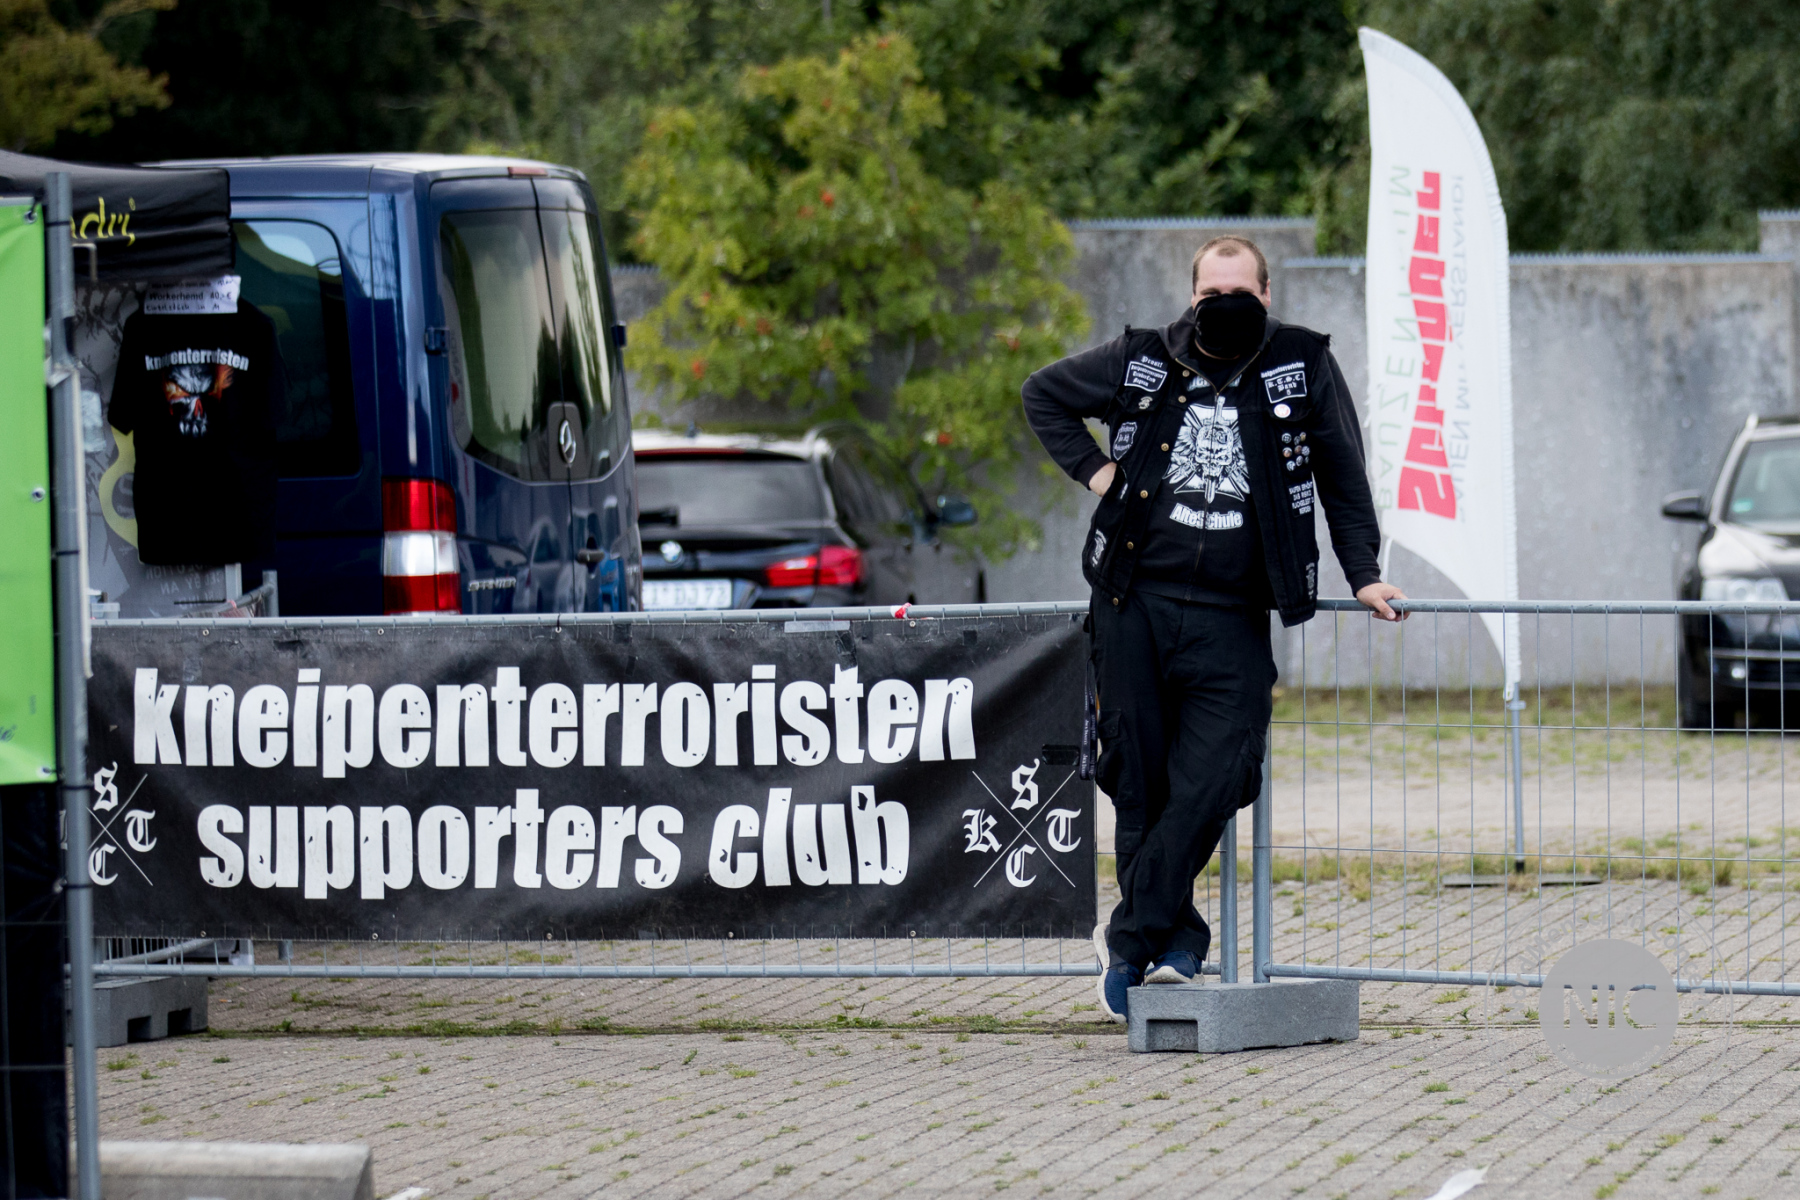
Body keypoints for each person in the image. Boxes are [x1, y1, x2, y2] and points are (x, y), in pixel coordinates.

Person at [1021, 235, 1406, 1022]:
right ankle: (1173, 949)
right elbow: (1043, 394)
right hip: (1132, 601)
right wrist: (1098, 473)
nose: (1224, 304)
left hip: (1235, 613)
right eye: (1210, 293)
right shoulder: (1143, 358)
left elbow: (1343, 473)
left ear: (1266, 295)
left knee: (1219, 772)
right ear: (1191, 296)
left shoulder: (1302, 363)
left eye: (1239, 292)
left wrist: (1363, 572)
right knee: (1140, 777)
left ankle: (1126, 939)